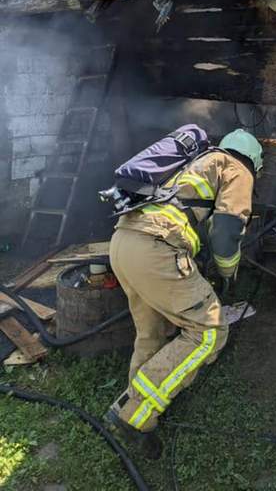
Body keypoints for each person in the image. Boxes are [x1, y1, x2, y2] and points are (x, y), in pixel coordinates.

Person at [104, 128, 261, 459]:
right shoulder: (237, 168)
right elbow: (227, 231)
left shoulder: (194, 160)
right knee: (210, 330)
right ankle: (134, 415)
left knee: (153, 332)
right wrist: (228, 271)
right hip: (156, 249)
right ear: (254, 161)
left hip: (123, 241)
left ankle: (137, 407)